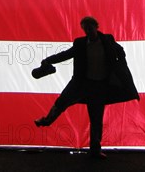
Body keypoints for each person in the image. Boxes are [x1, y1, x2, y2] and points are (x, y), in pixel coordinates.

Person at [34, 16, 139, 159]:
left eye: (90, 28)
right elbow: (65, 55)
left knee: (96, 119)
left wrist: (119, 70)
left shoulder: (108, 40)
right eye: (85, 29)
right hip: (82, 83)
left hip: (100, 86)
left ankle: (95, 151)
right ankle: (47, 120)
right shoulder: (80, 43)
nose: (88, 31)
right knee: (62, 101)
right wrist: (48, 60)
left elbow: (121, 52)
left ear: (96, 26)